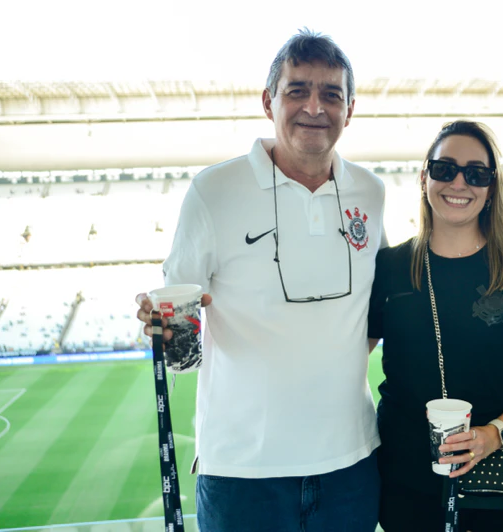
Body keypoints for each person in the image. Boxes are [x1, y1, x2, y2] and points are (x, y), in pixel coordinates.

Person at [134, 30, 386, 531]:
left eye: (331, 94)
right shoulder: (213, 191)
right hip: (242, 473)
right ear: (268, 101)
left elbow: (375, 308)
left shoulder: (371, 192)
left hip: (351, 465)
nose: (314, 107)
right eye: (297, 90)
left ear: (350, 110)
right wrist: (160, 328)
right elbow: (177, 328)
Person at [367, 120, 503, 532]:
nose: (459, 183)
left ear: (492, 187)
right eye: (444, 169)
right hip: (402, 472)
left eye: (477, 173)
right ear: (424, 177)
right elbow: (350, 356)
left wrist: (496, 434)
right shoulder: (389, 267)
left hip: (492, 474)